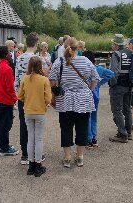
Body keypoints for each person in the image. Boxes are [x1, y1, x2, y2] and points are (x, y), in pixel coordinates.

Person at [49, 37, 99, 168]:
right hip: (83, 100)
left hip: (65, 100)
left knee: (66, 128)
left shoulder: (59, 62)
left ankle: (67, 157)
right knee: (82, 128)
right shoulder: (86, 61)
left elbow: (52, 82)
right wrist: (89, 89)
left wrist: (53, 97)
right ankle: (80, 157)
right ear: (78, 48)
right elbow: (95, 78)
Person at [14, 33, 46, 165]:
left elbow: (16, 78)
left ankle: (25, 154)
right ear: (36, 43)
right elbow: (45, 77)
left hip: (22, 95)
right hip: (36, 97)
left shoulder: (19, 58)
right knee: (36, 129)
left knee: (24, 125)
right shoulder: (38, 59)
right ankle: (35, 155)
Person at [17, 56, 51, 177]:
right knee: (39, 139)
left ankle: (31, 165)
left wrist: (28, 99)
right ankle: (38, 165)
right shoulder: (44, 80)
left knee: (30, 138)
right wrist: (44, 103)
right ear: (40, 66)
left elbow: (19, 96)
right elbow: (48, 98)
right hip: (40, 111)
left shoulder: (25, 79)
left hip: (28, 111)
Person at [83, 50, 114, 149]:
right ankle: (94, 138)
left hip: (86, 94)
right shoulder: (98, 68)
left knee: (86, 118)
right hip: (95, 95)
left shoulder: (83, 69)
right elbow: (111, 74)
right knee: (94, 117)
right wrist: (99, 83)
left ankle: (88, 140)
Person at [0, 46, 19, 156]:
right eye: (9, 53)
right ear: (5, 55)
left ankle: (0, 145)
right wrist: (14, 98)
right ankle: (4, 147)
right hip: (5, 99)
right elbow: (9, 87)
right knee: (5, 124)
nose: (10, 55)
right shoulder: (7, 69)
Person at [108, 34, 133, 143]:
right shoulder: (130, 53)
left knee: (117, 110)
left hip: (118, 86)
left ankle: (122, 134)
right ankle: (128, 131)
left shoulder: (116, 54)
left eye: (112, 43)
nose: (112, 45)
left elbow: (114, 72)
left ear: (116, 44)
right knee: (127, 109)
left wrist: (111, 84)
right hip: (129, 85)